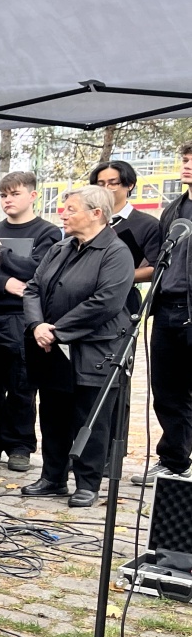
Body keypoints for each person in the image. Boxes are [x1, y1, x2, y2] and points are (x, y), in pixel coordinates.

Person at [22, 187, 135, 507]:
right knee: (53, 413)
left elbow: (106, 302)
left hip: (95, 350)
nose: (63, 214)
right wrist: (37, 325)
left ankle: (88, 482)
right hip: (51, 347)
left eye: (71, 209)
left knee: (90, 418)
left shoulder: (116, 252)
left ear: (96, 213)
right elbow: (33, 288)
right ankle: (53, 476)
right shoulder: (60, 247)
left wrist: (58, 331)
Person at [0, 172, 60, 471]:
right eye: (3, 195)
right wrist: (5, 283)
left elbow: (39, 270)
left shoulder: (47, 232)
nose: (8, 200)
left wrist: (2, 253)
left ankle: (20, 445)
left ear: (33, 195)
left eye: (14, 193)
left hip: (24, 318)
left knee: (22, 387)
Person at [137, 143, 192, 485]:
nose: (187, 164)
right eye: (186, 159)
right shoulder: (174, 209)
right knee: (167, 390)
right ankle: (174, 460)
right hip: (169, 309)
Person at [92, 159, 161, 312]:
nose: (105, 188)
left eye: (113, 183)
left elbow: (155, 268)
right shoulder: (88, 220)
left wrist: (113, 277)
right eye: (100, 184)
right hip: (82, 299)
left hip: (123, 302)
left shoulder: (147, 224)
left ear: (130, 185)